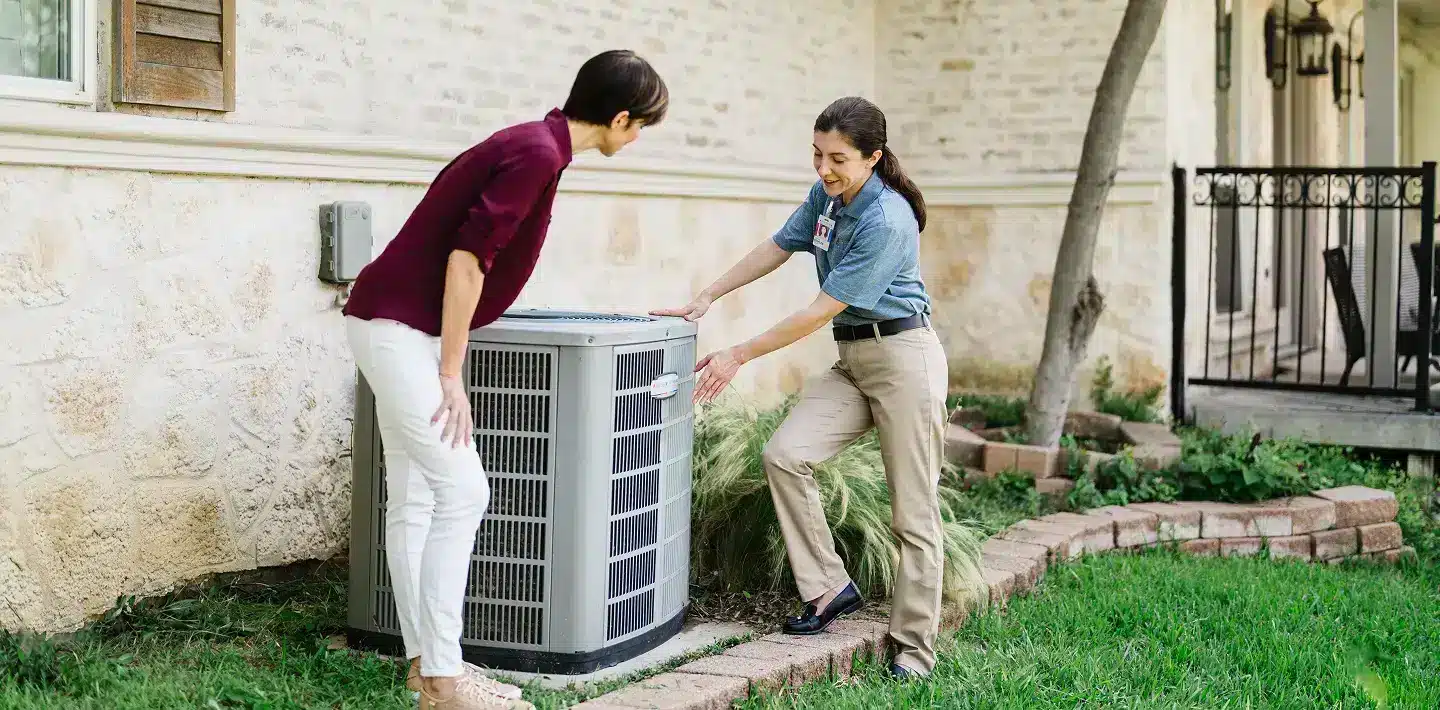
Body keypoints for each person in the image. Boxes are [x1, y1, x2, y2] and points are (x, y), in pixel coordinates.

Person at [342, 50, 668, 710]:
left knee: (418, 500)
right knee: (464, 492)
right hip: (403, 330)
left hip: (389, 322)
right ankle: (443, 677)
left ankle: (428, 669)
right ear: (620, 117)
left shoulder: (538, 144)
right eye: (641, 129)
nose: (637, 141)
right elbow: (468, 260)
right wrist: (451, 373)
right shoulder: (538, 154)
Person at [651, 96, 947, 680]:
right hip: (856, 358)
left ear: (873, 157)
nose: (823, 168)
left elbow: (818, 311)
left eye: (837, 157)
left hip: (903, 361)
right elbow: (778, 246)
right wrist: (709, 295)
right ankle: (829, 587)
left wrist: (739, 353)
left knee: (913, 515)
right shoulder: (829, 197)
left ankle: (913, 652)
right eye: (817, 154)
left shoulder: (888, 219)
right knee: (785, 456)